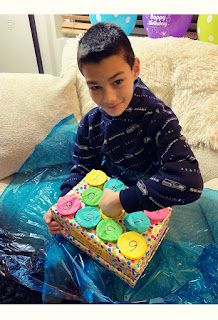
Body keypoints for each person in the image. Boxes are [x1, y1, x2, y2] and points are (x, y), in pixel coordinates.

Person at [44, 22, 203, 235]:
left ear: (135, 69)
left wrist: (122, 200)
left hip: (148, 211)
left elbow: (189, 181)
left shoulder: (159, 118)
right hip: (105, 206)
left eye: (117, 81)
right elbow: (82, 170)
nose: (108, 98)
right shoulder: (91, 123)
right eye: (96, 87)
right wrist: (64, 206)